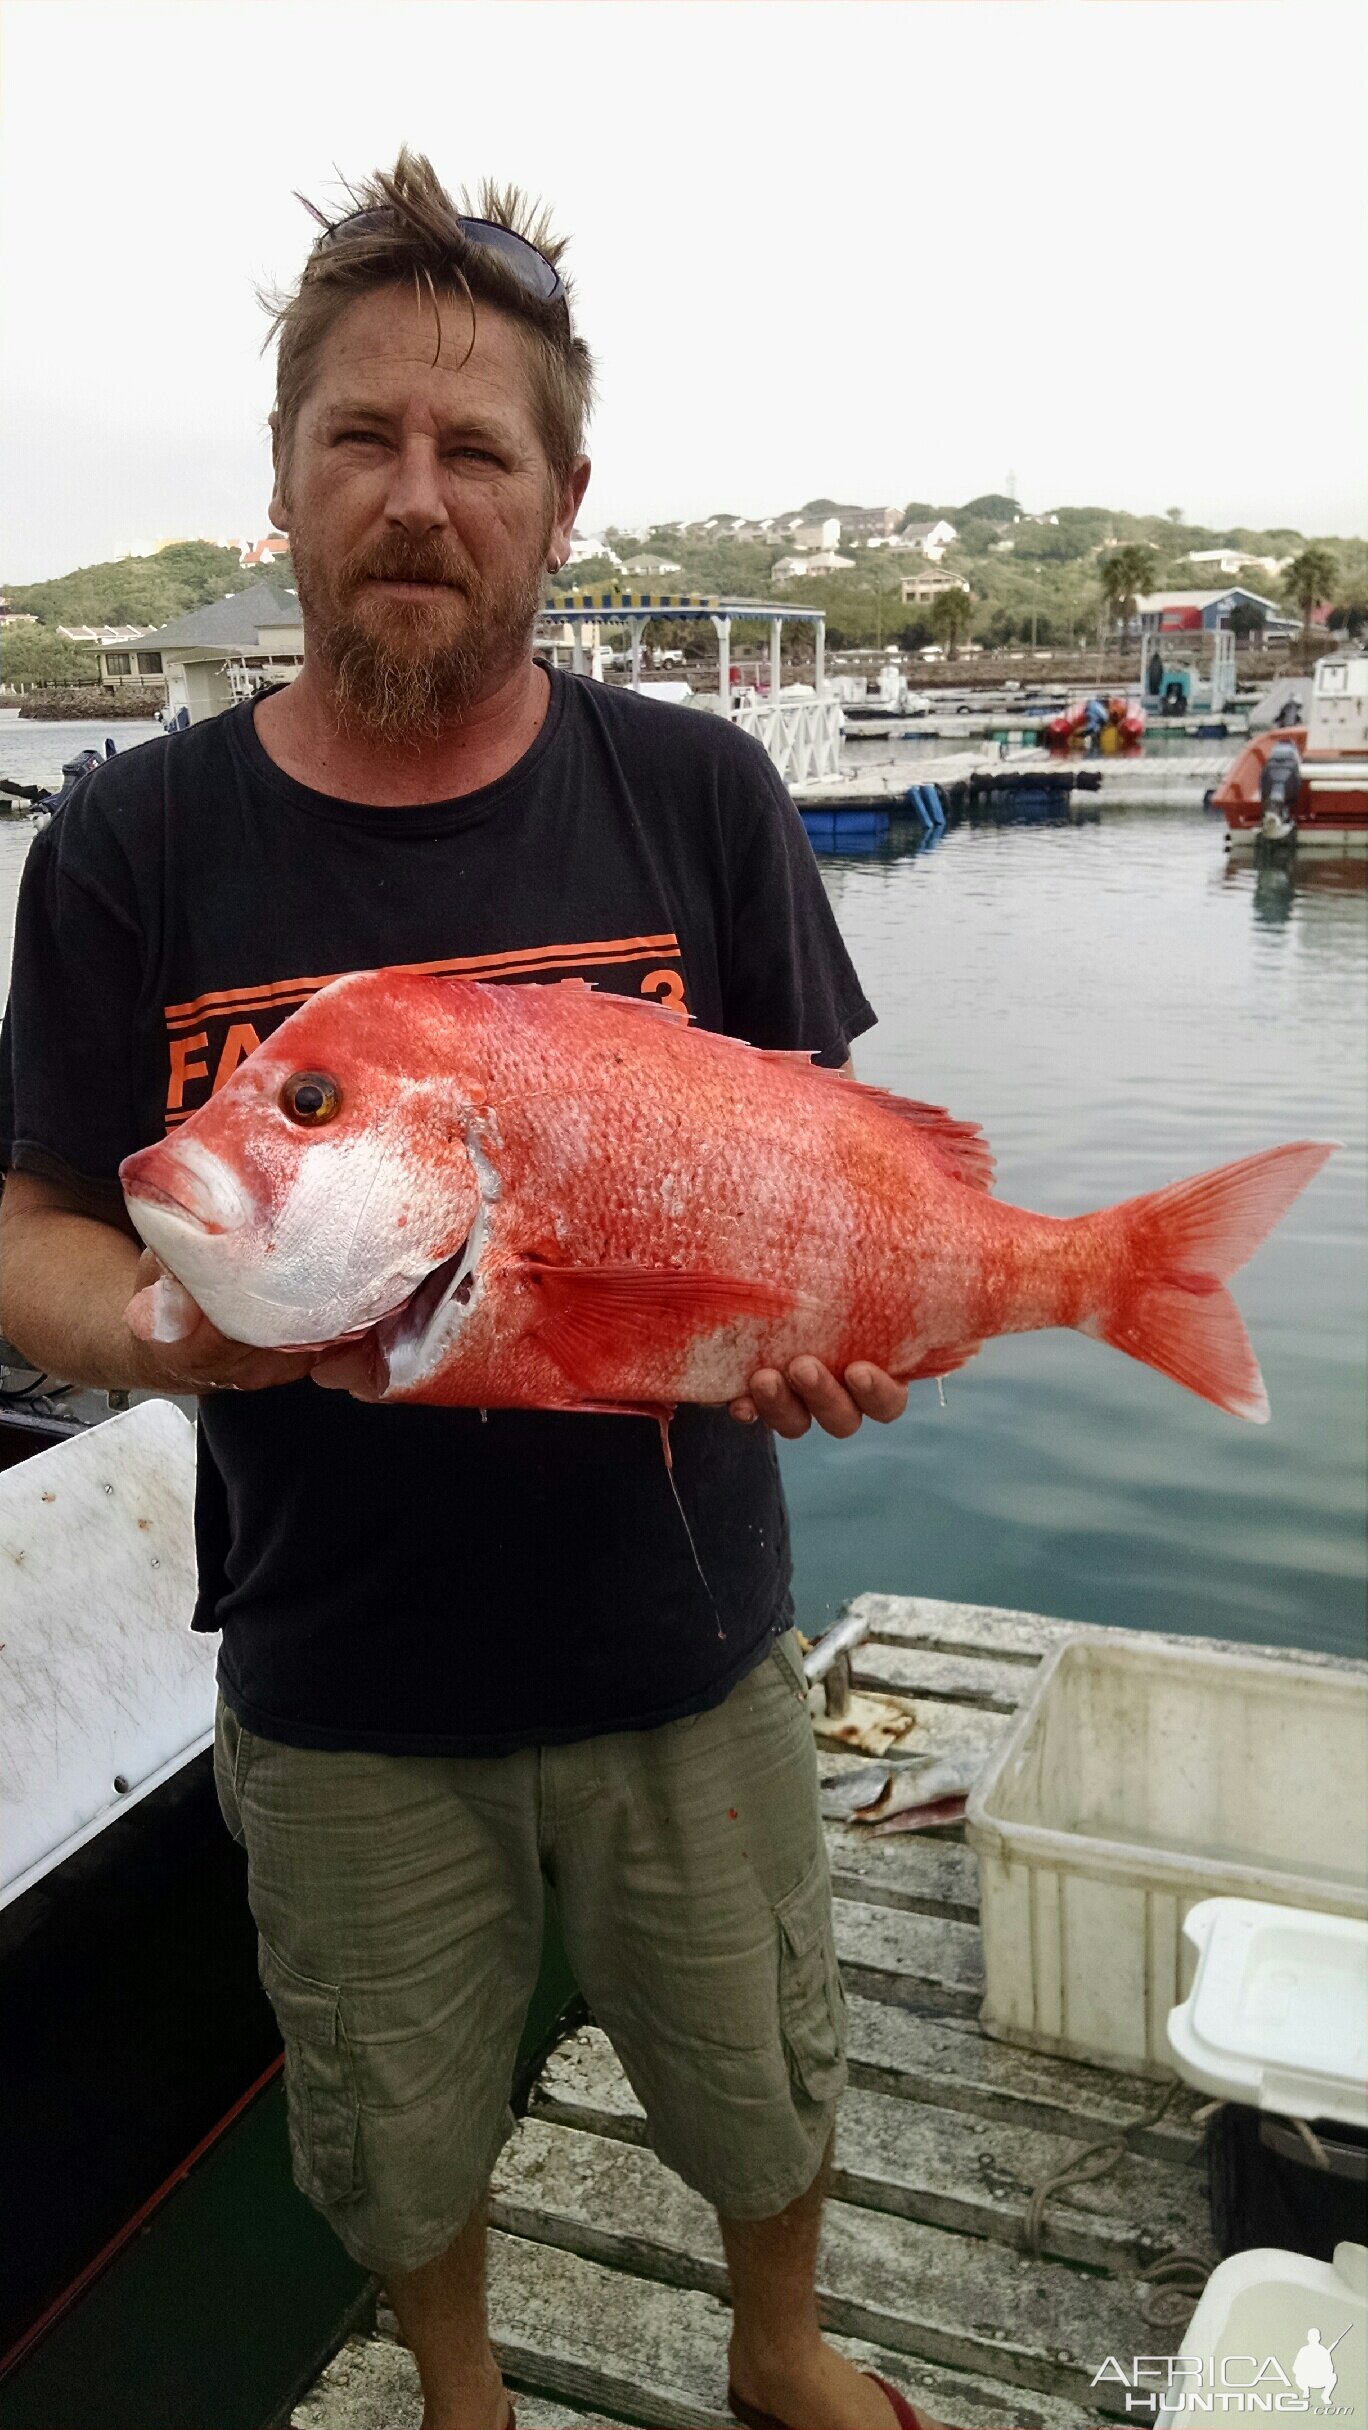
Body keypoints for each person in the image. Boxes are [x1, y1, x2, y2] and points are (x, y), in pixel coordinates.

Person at [0, 153, 934, 2430]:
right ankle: (458, 2386)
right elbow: (32, 1225)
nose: (418, 497)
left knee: (758, 2061)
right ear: (289, 484)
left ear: (564, 498)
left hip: (686, 1646)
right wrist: (151, 1328)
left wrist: (830, 1322)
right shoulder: (129, 841)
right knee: (388, 2115)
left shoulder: (702, 790)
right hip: (339, 1685)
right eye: (365, 442)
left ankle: (782, 2346)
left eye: (476, 450)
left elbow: (815, 1165)